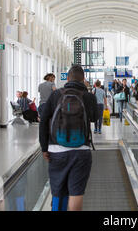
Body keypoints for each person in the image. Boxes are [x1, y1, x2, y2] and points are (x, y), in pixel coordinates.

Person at [39, 65, 98, 211]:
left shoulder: (56, 95)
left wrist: (44, 148)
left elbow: (44, 121)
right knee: (76, 194)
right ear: (83, 79)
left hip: (56, 150)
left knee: (58, 192)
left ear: (68, 78)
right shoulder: (89, 96)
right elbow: (95, 118)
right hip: (81, 150)